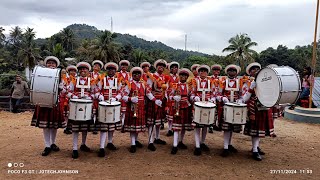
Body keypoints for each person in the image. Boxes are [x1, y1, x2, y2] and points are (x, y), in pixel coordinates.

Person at [31, 56, 66, 156]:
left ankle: (52, 143)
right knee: (45, 125)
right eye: (49, 63)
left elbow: (63, 91)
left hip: (55, 102)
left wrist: (60, 87)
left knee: (54, 125)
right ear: (46, 65)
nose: (51, 65)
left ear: (56, 65)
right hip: (43, 102)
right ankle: (47, 145)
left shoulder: (59, 76)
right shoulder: (41, 75)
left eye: (53, 63)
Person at [242, 62, 275, 161]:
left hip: (264, 107)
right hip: (254, 108)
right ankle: (255, 150)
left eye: (257, 68)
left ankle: (255, 147)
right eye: (253, 69)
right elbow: (244, 98)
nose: (255, 70)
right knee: (255, 131)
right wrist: (251, 88)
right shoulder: (246, 82)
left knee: (260, 130)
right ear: (250, 72)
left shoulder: (265, 81)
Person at [122, 67, 158, 153]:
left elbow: (149, 94)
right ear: (132, 75)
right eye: (134, 74)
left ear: (141, 75)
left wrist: (155, 100)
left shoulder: (144, 84)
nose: (136, 75)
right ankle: (133, 144)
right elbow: (123, 96)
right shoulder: (129, 84)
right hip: (132, 107)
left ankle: (139, 141)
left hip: (141, 107)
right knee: (132, 126)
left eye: (138, 74)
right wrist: (131, 99)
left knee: (136, 126)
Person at [94, 62, 122, 157]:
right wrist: (100, 96)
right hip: (103, 105)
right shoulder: (102, 80)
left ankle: (109, 142)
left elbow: (121, 92)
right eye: (109, 69)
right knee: (103, 127)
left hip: (114, 105)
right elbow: (96, 91)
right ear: (107, 71)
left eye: (113, 69)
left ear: (115, 71)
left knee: (112, 125)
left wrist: (116, 98)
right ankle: (101, 147)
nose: (111, 71)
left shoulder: (118, 81)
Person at [67, 62, 94, 159]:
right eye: (81, 69)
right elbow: (68, 92)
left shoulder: (92, 81)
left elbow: (95, 93)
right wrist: (75, 96)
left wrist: (89, 96)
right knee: (75, 128)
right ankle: (74, 148)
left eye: (85, 69)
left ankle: (83, 144)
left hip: (87, 106)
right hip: (75, 106)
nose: (83, 70)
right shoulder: (74, 80)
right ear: (79, 71)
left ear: (88, 71)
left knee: (84, 127)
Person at [217, 64, 243, 157]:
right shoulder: (222, 82)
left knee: (232, 127)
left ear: (236, 72)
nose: (232, 72)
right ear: (227, 72)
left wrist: (240, 100)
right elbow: (218, 94)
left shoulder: (240, 82)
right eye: (230, 70)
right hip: (226, 107)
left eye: (234, 70)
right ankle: (225, 147)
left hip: (235, 107)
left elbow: (241, 94)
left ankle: (229, 144)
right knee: (226, 128)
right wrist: (223, 98)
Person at [190, 64, 216, 156]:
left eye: (204, 71)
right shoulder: (194, 81)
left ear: (207, 72)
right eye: (201, 71)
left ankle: (202, 142)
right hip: (197, 106)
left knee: (205, 125)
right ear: (199, 72)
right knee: (197, 126)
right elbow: (191, 93)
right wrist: (194, 97)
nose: (203, 72)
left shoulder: (211, 81)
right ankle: (197, 146)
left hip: (207, 106)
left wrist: (212, 99)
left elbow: (213, 93)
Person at [168, 68, 193, 154]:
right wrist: (174, 97)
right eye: (181, 75)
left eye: (185, 76)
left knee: (183, 126)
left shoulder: (189, 86)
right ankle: (174, 145)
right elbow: (169, 95)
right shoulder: (175, 85)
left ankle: (181, 141)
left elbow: (191, 95)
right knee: (176, 127)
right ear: (179, 76)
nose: (183, 77)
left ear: (187, 77)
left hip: (186, 107)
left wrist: (193, 98)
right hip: (177, 107)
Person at [146, 59, 166, 151]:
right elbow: (148, 90)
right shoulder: (151, 76)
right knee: (151, 122)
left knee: (158, 122)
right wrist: (154, 99)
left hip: (161, 101)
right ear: (156, 67)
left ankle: (157, 138)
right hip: (153, 101)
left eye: (162, 66)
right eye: (159, 65)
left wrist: (165, 98)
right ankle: (150, 141)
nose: (161, 67)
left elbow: (165, 90)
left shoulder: (164, 77)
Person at [166, 61, 180, 137]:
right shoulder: (168, 77)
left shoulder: (179, 77)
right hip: (170, 97)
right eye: (173, 67)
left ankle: (175, 127)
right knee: (170, 114)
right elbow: (166, 87)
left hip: (177, 97)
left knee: (176, 113)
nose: (174, 69)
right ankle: (169, 129)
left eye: (176, 67)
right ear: (170, 69)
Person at [63, 65, 78, 134]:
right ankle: (66, 127)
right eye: (71, 71)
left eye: (74, 71)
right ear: (68, 72)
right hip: (66, 97)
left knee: (73, 112)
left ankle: (72, 127)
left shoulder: (77, 79)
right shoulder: (65, 78)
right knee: (66, 113)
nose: (73, 72)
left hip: (75, 97)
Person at [90, 60, 104, 135]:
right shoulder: (89, 74)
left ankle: (96, 126)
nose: (96, 67)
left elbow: (102, 86)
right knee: (91, 111)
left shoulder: (101, 76)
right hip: (90, 95)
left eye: (98, 66)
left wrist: (99, 94)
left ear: (100, 68)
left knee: (97, 111)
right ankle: (91, 125)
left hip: (98, 95)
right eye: (95, 65)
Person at [209, 64, 223, 133]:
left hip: (219, 97)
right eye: (215, 70)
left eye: (218, 70)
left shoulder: (221, 79)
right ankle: (211, 125)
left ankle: (218, 125)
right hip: (211, 97)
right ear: (212, 71)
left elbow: (221, 89)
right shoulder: (209, 79)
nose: (216, 71)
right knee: (212, 111)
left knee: (219, 111)